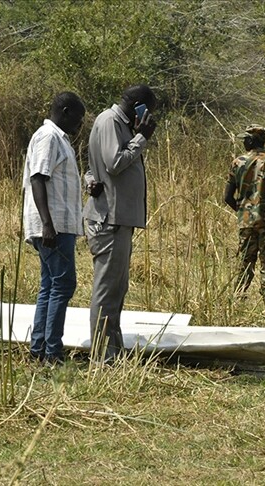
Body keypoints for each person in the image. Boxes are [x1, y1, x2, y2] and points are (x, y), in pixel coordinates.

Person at [83, 84, 158, 362]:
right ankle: (103, 357)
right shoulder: (110, 121)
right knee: (106, 292)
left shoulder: (118, 124)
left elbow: (94, 168)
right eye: (148, 110)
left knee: (116, 290)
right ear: (138, 104)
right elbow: (114, 163)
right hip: (109, 221)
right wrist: (141, 137)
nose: (149, 116)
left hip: (118, 219)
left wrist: (90, 181)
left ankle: (113, 351)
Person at [22, 91, 86, 364]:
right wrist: (48, 224)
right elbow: (38, 178)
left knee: (50, 285)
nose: (80, 126)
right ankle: (52, 352)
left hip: (59, 224)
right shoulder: (48, 137)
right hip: (53, 226)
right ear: (66, 111)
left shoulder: (60, 139)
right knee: (63, 284)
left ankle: (40, 349)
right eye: (79, 119)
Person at [223, 124, 265, 303]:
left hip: (245, 221)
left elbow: (227, 197)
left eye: (245, 139)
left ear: (252, 140)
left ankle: (238, 299)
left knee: (245, 261)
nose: (244, 141)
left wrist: (243, 211)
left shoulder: (237, 162)